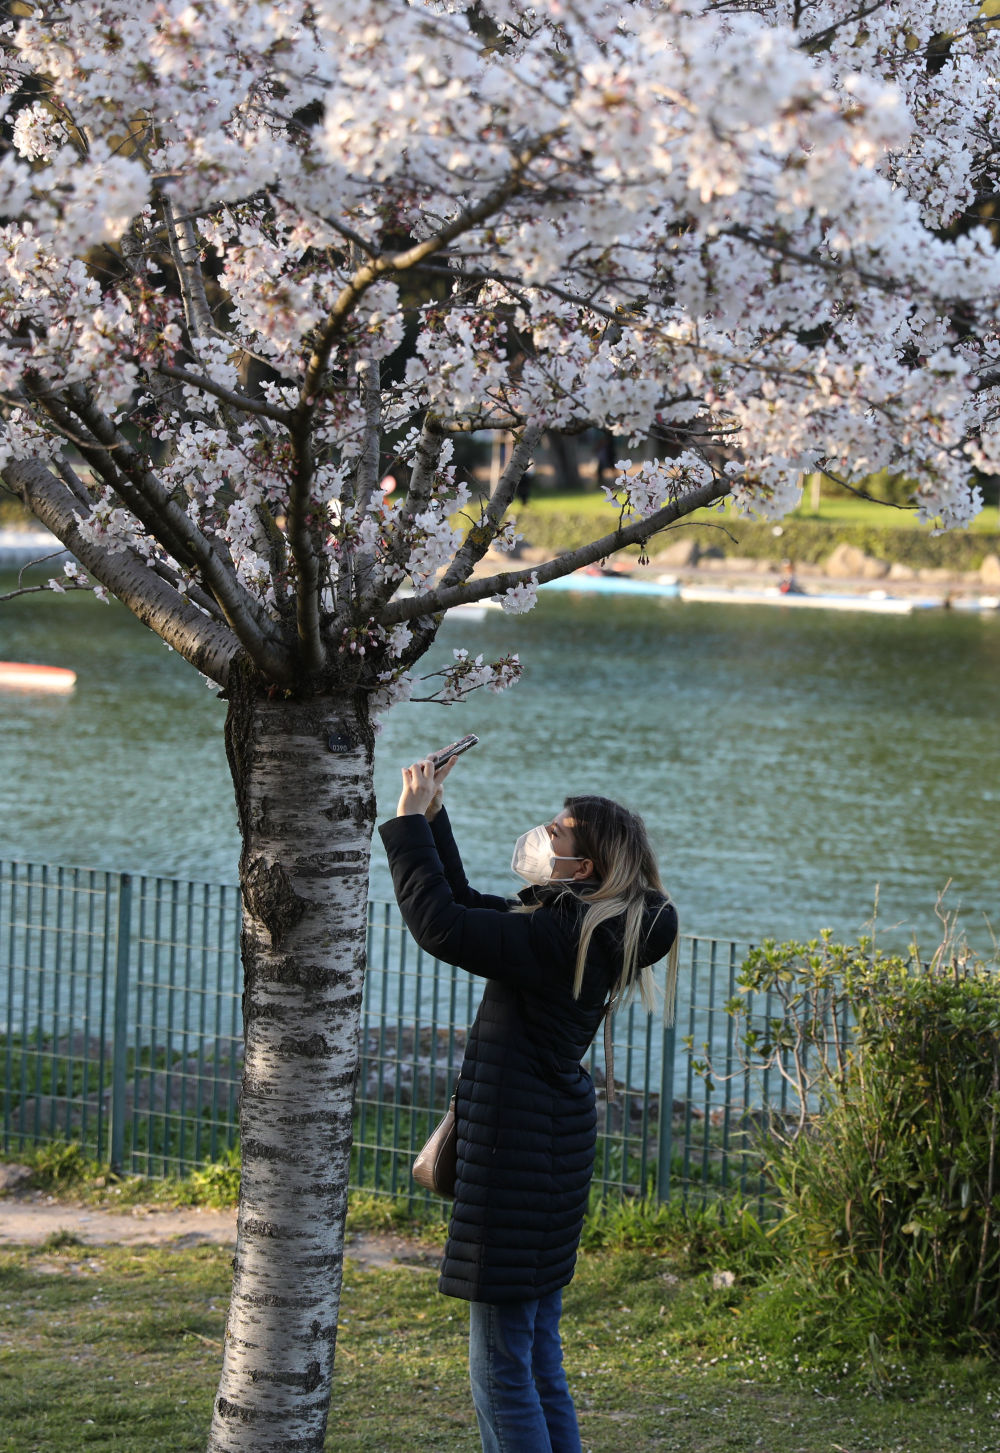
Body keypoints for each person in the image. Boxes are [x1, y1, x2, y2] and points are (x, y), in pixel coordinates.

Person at [378, 756, 678, 1453]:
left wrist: (401, 819)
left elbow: (441, 927)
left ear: (590, 866)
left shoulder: (560, 936)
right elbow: (467, 905)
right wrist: (429, 817)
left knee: (502, 1368)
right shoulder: (575, 930)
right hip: (547, 1156)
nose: (544, 836)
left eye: (559, 832)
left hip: (516, 1160)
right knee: (538, 1358)